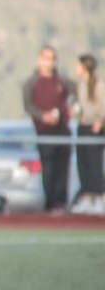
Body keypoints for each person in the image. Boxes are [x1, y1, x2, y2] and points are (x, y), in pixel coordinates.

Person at [22, 46, 75, 213]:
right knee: (49, 167)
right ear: (39, 59)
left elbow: (74, 96)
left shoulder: (63, 81)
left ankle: (61, 202)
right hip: (44, 131)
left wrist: (71, 109)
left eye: (52, 58)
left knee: (62, 166)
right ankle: (50, 202)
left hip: (62, 129)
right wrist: (42, 116)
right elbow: (28, 105)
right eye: (46, 58)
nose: (49, 62)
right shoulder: (32, 82)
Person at [70, 54, 104, 214]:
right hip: (83, 126)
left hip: (95, 129)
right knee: (83, 164)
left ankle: (99, 197)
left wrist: (101, 121)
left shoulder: (99, 86)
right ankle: (88, 197)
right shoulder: (80, 86)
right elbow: (79, 106)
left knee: (94, 164)